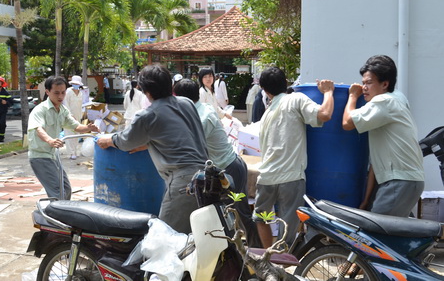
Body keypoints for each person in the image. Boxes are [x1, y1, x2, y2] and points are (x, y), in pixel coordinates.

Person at [97, 64, 208, 234]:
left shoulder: (148, 115)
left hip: (183, 183)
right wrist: (150, 142)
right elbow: (176, 133)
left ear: (145, 91)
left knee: (165, 239)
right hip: (207, 176)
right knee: (196, 238)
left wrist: (109, 139)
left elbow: (127, 141)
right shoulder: (186, 103)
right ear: (170, 85)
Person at [174, 78, 262, 248]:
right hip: (225, 167)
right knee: (225, 214)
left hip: (230, 169)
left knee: (240, 213)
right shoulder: (201, 109)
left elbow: (190, 147)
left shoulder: (201, 118)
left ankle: (257, 254)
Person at [254, 67, 335, 248]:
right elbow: (325, 114)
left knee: (261, 218)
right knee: (287, 228)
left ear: (265, 91)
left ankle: (269, 257)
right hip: (290, 179)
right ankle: (281, 261)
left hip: (266, 178)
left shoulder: (266, 114)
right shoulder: (296, 99)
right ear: (286, 83)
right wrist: (329, 92)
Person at [342, 55, 424, 217]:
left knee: (375, 233)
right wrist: (366, 200)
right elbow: (375, 163)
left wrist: (352, 96)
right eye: (363, 83)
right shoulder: (397, 100)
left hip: (399, 180)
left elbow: (347, 123)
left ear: (385, 84)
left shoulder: (384, 101)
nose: (364, 87)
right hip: (405, 179)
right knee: (393, 233)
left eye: (369, 83)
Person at [28, 76, 99, 200]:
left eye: (63, 92)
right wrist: (50, 140)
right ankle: (55, 217)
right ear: (47, 92)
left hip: (52, 156)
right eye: (56, 93)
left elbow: (75, 126)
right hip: (40, 156)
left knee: (66, 189)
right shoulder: (40, 110)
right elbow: (38, 129)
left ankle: (62, 214)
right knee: (57, 192)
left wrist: (88, 128)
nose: (60, 96)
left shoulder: (62, 110)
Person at [64, 75, 84, 160]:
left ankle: (75, 151)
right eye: (74, 83)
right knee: (69, 134)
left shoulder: (81, 93)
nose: (75, 85)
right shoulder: (68, 92)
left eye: (77, 83)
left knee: (76, 134)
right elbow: (65, 104)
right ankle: (71, 153)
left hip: (78, 116)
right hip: (68, 117)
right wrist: (70, 115)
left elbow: (81, 105)